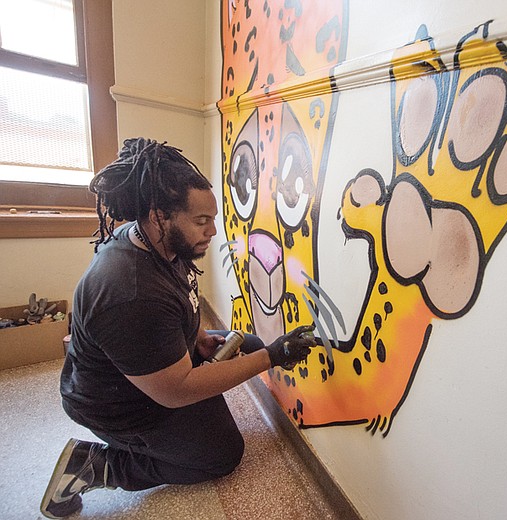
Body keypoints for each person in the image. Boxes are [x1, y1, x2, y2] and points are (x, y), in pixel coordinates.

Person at [40, 138, 316, 519]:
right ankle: (94, 466)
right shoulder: (131, 293)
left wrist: (199, 340)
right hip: (118, 404)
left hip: (149, 375)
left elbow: (180, 302)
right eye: (202, 222)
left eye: (213, 219)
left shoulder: (160, 244)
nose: (213, 231)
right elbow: (176, 391)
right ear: (159, 217)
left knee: (246, 345)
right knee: (222, 454)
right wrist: (274, 356)